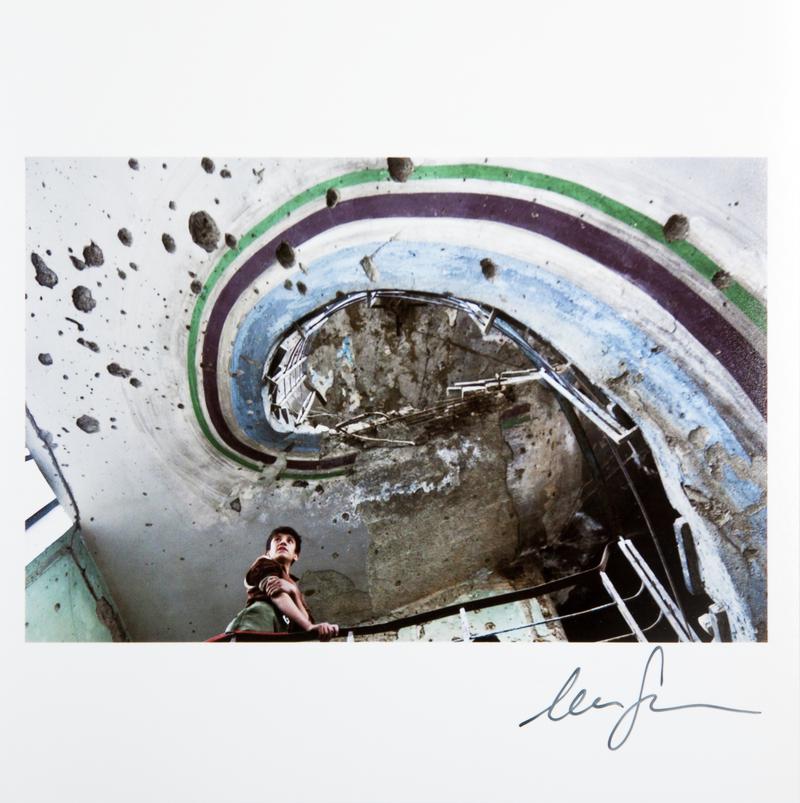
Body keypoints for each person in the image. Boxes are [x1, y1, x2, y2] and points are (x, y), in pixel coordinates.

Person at [225, 526, 339, 640]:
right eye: (277, 539)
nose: (283, 542)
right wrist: (309, 626)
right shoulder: (263, 563)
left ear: (296, 555)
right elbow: (276, 592)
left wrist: (294, 592)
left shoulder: (293, 585)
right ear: (268, 552)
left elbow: (304, 623)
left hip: (275, 632)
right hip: (255, 624)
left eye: (289, 541)